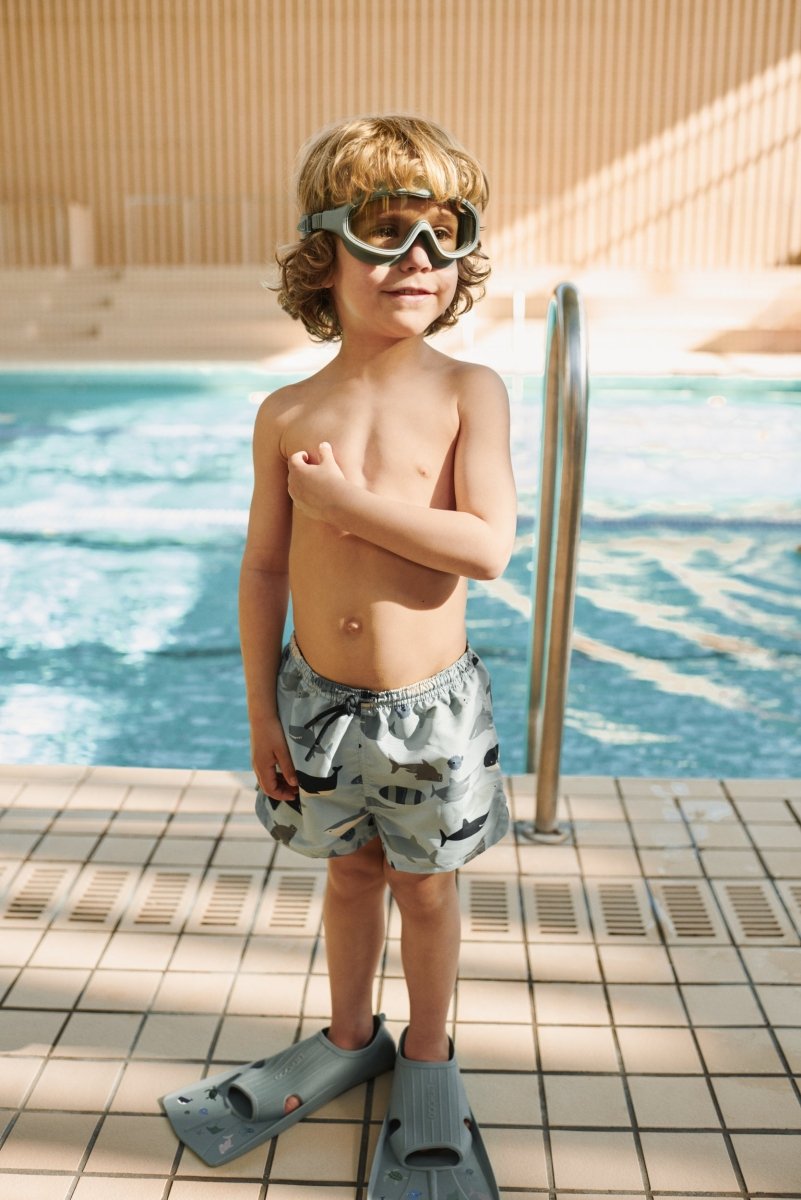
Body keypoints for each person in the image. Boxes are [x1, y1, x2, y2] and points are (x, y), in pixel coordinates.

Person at [163, 115, 516, 1190]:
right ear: (325, 254)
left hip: (430, 709)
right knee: (351, 876)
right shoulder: (286, 411)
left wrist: (348, 507)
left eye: (444, 233)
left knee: (426, 891)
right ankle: (352, 1035)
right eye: (386, 230)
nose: (419, 257)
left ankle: (427, 1054)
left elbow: (486, 546)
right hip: (316, 703)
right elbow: (263, 568)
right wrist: (262, 714)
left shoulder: (467, 391)